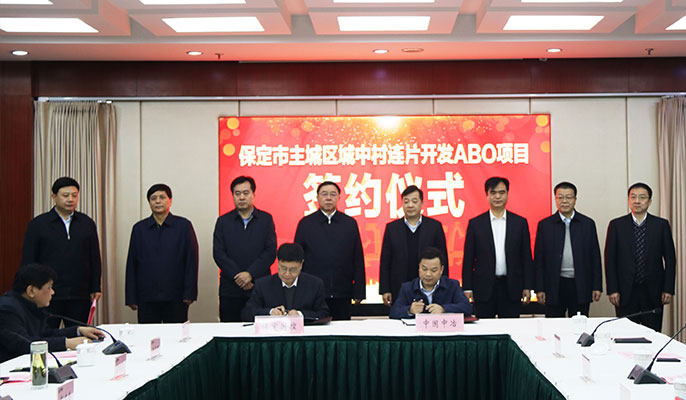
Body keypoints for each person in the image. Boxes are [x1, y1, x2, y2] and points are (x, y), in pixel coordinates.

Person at [21, 177, 102, 328]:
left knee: (79, 334)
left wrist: (95, 286)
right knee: (46, 334)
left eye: (74, 195)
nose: (70, 199)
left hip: (79, 293)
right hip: (47, 294)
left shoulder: (87, 223)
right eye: (65, 195)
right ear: (54, 196)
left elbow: (94, 258)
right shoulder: (38, 224)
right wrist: (30, 289)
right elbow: (28, 260)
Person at [605, 183, 676, 332]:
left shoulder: (661, 225)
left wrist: (668, 289)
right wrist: (612, 289)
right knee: (625, 334)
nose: (637, 201)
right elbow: (609, 260)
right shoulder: (616, 225)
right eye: (633, 197)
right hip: (625, 292)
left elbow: (670, 259)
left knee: (653, 334)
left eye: (642, 197)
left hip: (654, 292)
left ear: (649, 202)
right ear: (629, 200)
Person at [0, 264, 104, 363]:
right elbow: (24, 345)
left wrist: (78, 330)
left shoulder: (29, 306)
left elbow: (46, 334)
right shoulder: (7, 309)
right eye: (49, 288)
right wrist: (66, 343)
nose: (52, 292)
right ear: (31, 291)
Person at [125, 184, 199, 323]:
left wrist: (190, 293)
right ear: (149, 202)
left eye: (162, 197)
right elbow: (132, 263)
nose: (158, 201)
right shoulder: (139, 229)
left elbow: (191, 260)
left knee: (176, 334)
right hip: (147, 296)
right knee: (149, 335)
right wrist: (131, 297)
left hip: (176, 296)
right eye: (153, 198)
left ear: (170, 200)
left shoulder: (183, 226)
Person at [462, 177, 534, 318]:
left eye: (501, 192)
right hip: (483, 288)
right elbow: (468, 259)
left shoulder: (520, 223)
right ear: (487, 195)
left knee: (510, 327)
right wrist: (467, 287)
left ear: (507, 194)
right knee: (484, 327)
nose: (497, 197)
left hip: (511, 287)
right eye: (493, 193)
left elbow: (526, 257)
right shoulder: (475, 224)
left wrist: (528, 286)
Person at [294, 181, 365, 320]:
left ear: (339, 198)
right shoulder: (306, 224)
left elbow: (357, 258)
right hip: (312, 292)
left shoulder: (349, 223)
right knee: (315, 329)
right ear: (317, 197)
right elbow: (296, 259)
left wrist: (359, 291)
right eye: (324, 194)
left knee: (342, 330)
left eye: (333, 194)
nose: (328, 198)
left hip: (342, 292)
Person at [534, 182, 602, 317]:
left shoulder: (587, 224)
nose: (564, 201)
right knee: (554, 325)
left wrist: (597, 286)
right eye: (560, 197)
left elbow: (595, 257)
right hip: (554, 284)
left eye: (569, 197)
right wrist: (539, 288)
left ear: (575, 200)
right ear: (555, 199)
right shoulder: (545, 225)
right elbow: (539, 259)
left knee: (579, 324)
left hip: (580, 283)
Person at [213, 176, 277, 322]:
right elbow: (219, 253)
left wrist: (250, 274)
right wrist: (238, 276)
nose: (241, 197)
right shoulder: (223, 221)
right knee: (230, 330)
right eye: (237, 193)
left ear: (253, 194)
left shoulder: (265, 219)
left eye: (246, 193)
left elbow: (270, 251)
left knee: (260, 329)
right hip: (230, 288)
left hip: (259, 286)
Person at [379, 185, 448, 307]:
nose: (410, 205)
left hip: (429, 286)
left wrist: (444, 286)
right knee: (401, 315)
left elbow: (443, 259)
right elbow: (385, 261)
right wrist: (385, 289)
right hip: (399, 286)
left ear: (422, 203)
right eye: (406, 201)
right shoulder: (392, 228)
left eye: (414, 201)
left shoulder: (434, 226)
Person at [242, 243, 329, 321]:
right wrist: (270, 312)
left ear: (301, 264)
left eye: (293, 270)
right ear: (277, 263)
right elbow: (247, 313)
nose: (287, 274)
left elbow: (324, 314)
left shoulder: (315, 285)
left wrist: (300, 314)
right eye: (283, 268)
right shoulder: (263, 285)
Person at [390, 247, 471, 319]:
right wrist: (410, 310)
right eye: (424, 269)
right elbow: (393, 312)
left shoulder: (452, 285)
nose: (428, 274)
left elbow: (467, 308)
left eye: (434, 270)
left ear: (441, 270)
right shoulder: (407, 288)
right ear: (419, 268)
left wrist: (443, 309)